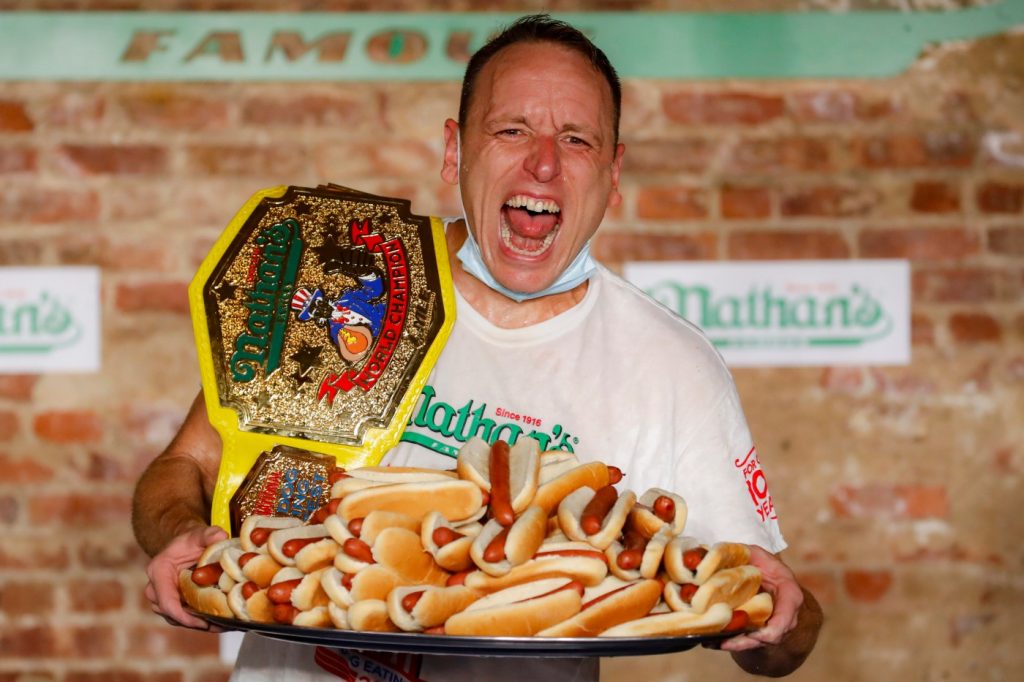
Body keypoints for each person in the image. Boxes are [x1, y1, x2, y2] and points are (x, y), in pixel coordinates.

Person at [133, 14, 823, 681]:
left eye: (577, 140)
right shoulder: (345, 274)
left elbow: (773, 629)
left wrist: (779, 620)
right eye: (512, 129)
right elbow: (185, 465)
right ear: (455, 150)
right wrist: (178, 533)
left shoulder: (671, 365)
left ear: (613, 174)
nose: (544, 164)